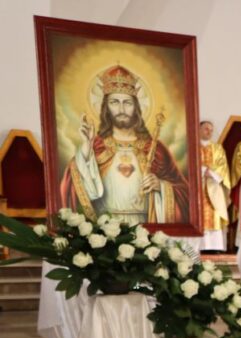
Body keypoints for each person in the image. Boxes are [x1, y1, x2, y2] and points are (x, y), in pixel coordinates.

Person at [61, 65, 189, 224]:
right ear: (106, 107)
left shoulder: (155, 149)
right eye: (114, 102)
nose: (121, 109)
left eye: (127, 102)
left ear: (136, 107)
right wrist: (87, 148)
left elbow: (185, 193)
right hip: (106, 229)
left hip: (146, 228)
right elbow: (72, 187)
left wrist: (161, 186)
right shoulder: (96, 147)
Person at [198, 120, 230, 252]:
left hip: (213, 187)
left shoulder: (217, 148)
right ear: (198, 130)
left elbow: (223, 166)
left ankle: (214, 246)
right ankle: (199, 246)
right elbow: (186, 165)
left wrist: (210, 172)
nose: (209, 132)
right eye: (206, 129)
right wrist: (201, 171)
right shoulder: (191, 147)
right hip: (197, 187)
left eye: (211, 130)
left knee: (215, 214)